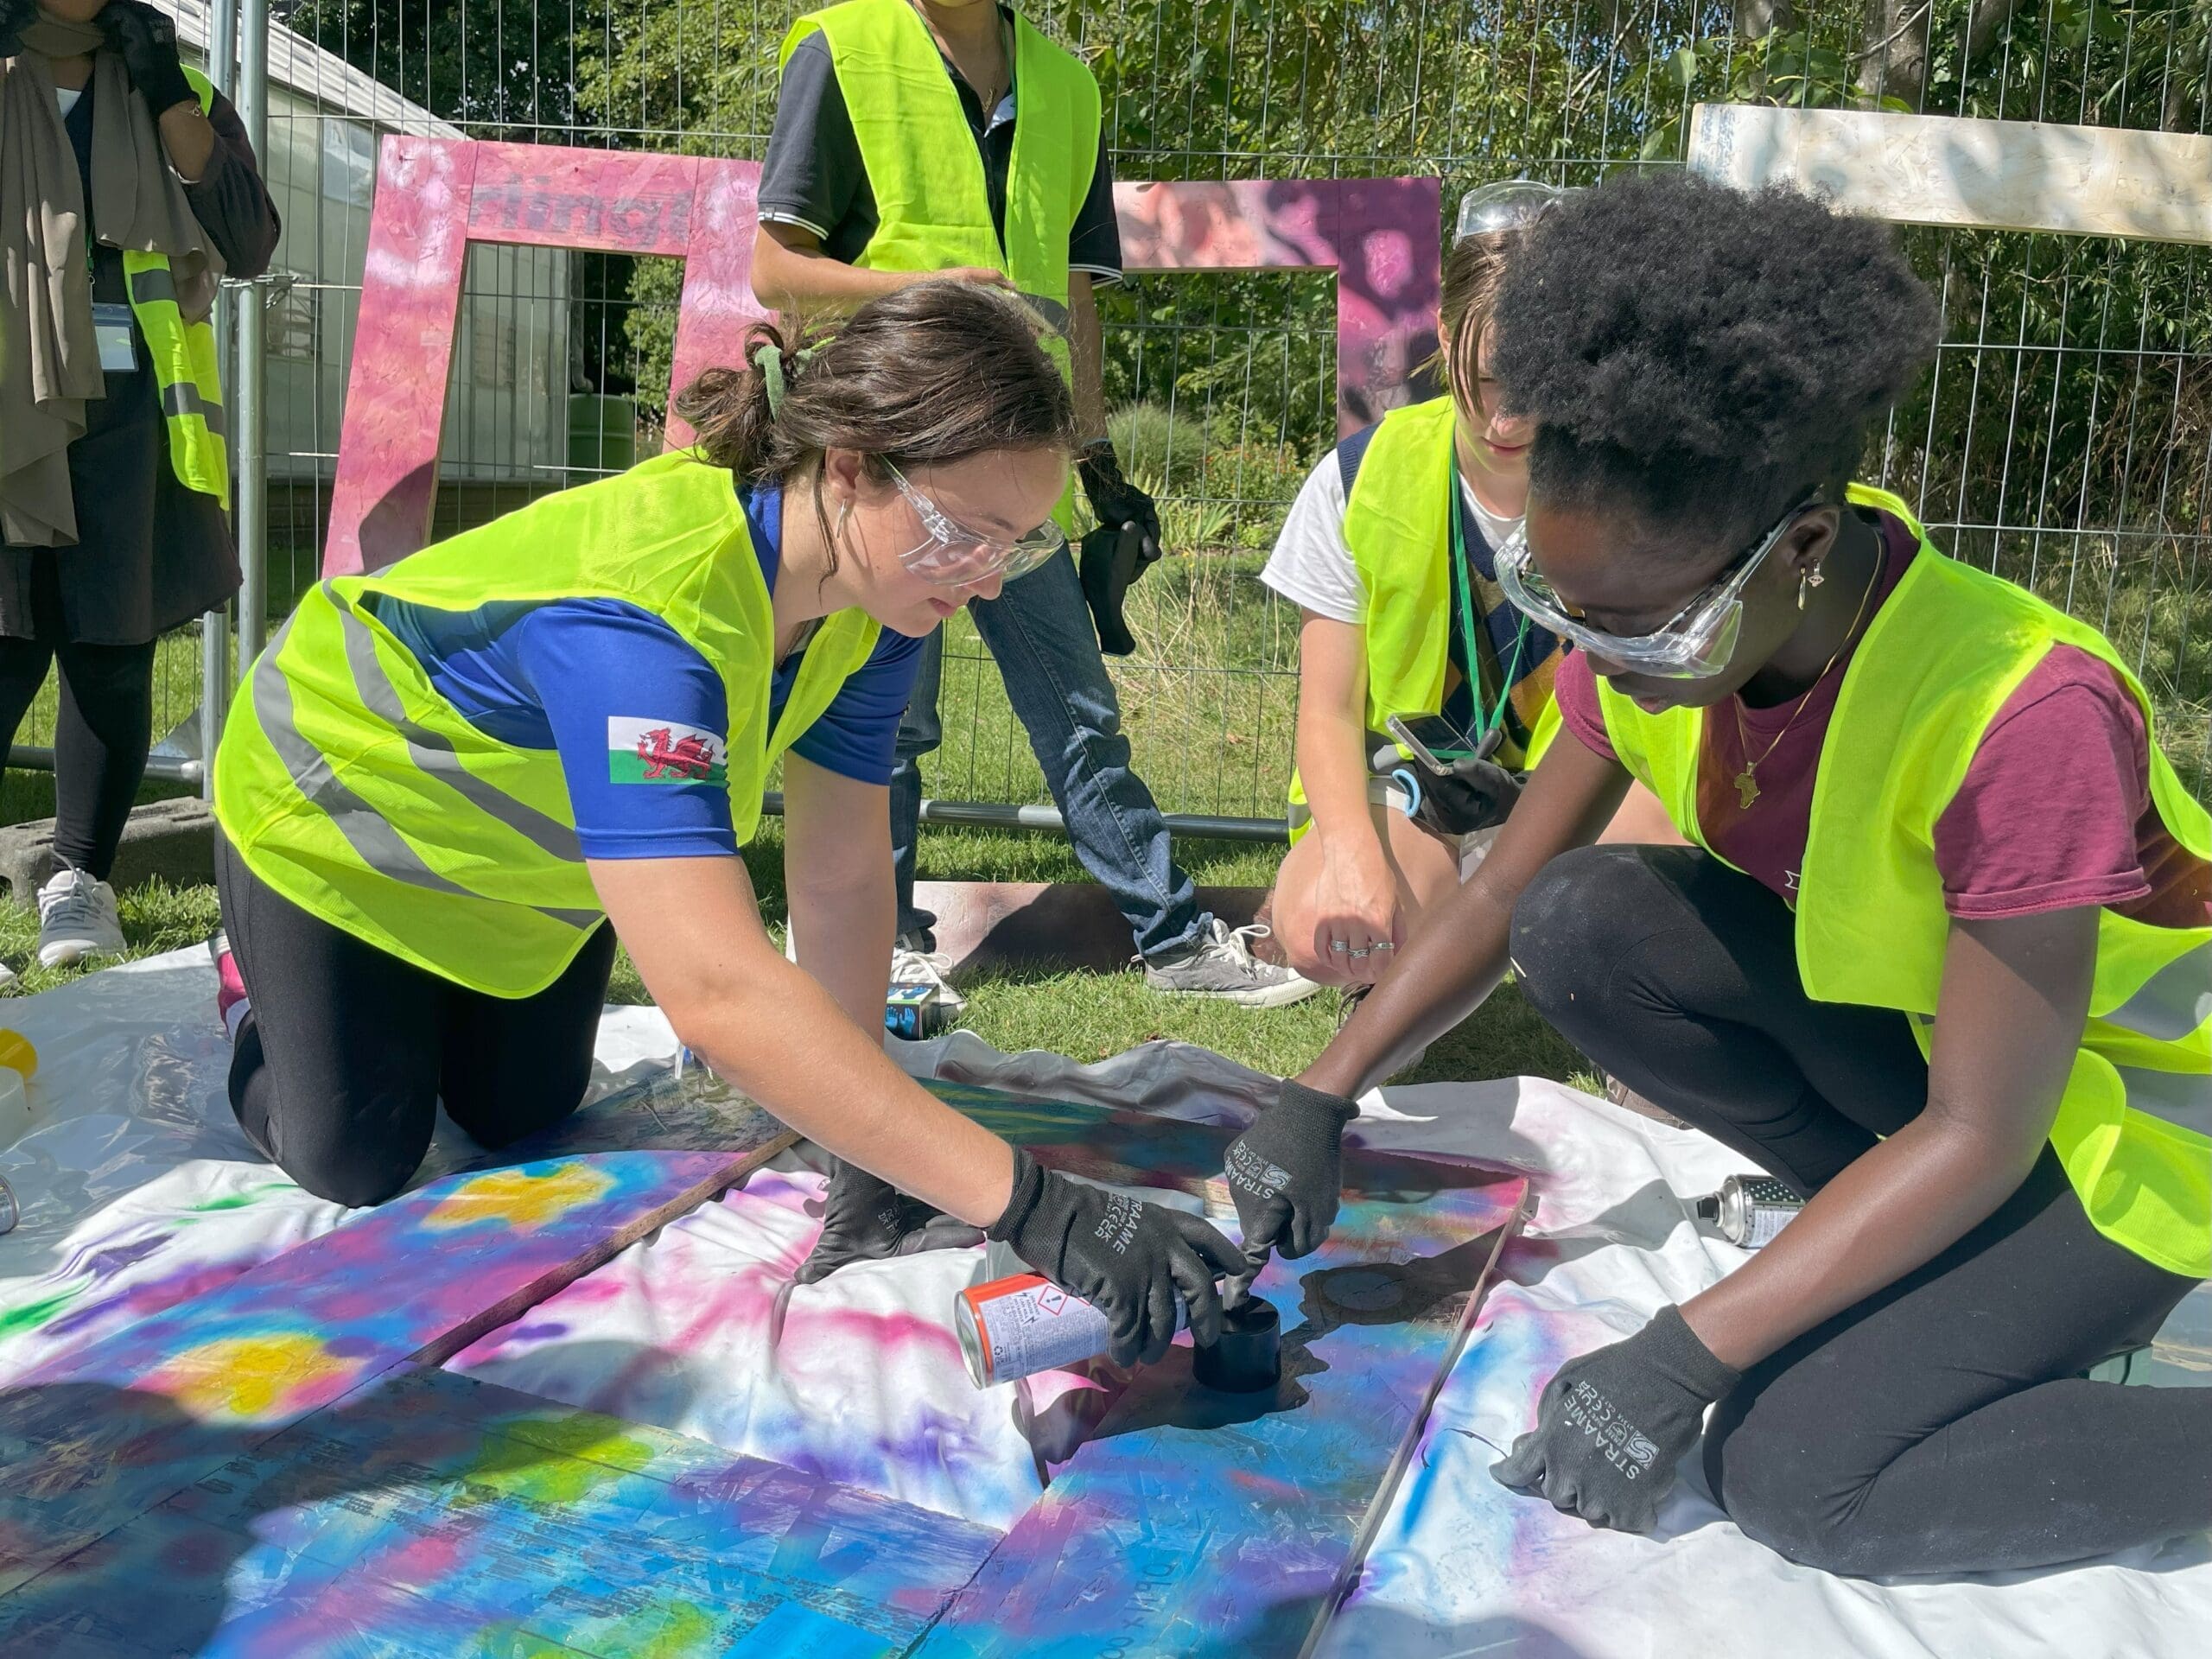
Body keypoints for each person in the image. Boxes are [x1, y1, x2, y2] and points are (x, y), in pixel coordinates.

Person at [1217, 174, 2209, 1574]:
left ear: (1802, 549)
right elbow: (1507, 895)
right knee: (1587, 919)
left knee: (1801, 1476)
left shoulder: (2019, 716)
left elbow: (1990, 1132)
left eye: (1633, 628)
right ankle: (1911, 1267)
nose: (1599, 664)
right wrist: (1317, 1097)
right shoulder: (1665, 618)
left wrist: (1684, 1353)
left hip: (2136, 1144)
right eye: (1565, 613)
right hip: (1956, 1077)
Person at [207, 282, 1241, 1365]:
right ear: (848, 464)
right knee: (357, 1157)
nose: (984, 584)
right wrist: (1034, 1206)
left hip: (530, 867)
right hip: (336, 829)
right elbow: (713, 995)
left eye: (1016, 547)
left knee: (522, 1116)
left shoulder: (877, 598)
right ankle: (250, 994)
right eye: (967, 535)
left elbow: (840, 878)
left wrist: (865, 1152)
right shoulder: (649, 617)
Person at [753, 0, 1310, 1014]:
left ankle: (1175, 938)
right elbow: (773, 273)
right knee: (884, 725)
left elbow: (1074, 297)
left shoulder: (1069, 86)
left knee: (1079, 714)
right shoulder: (841, 48)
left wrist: (1093, 460)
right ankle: (878, 944)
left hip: (1019, 473)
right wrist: (935, 287)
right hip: (895, 466)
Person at [1260, 181, 1675, 995]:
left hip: (1585, 787)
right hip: (1421, 785)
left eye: (1537, 385)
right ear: (1444, 332)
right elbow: (1328, 711)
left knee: (1677, 870)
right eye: (1482, 380)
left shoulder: (1642, 481)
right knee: (1317, 919)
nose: (1507, 421)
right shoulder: (1358, 474)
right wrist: (1353, 861)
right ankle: (1401, 965)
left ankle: (1621, 995)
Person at [0, 0, 276, 978]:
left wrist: (160, 88)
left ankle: (81, 878)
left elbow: (247, 240)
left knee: (110, 651)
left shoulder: (176, 81)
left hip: (131, 417)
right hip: (5, 411)